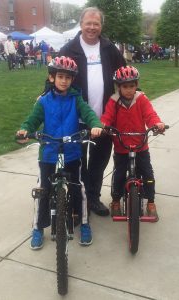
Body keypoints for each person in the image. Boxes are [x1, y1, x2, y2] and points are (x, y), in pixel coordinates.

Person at [16, 56, 103, 250]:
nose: (64, 81)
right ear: (52, 77)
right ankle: (38, 227)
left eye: (68, 77)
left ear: (72, 80)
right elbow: (32, 120)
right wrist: (24, 129)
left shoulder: (76, 98)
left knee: (78, 188)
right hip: (48, 152)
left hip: (72, 152)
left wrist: (95, 125)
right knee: (43, 190)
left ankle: (85, 224)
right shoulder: (44, 101)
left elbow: (88, 113)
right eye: (60, 76)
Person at [59, 7, 126, 217]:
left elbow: (124, 75)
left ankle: (93, 198)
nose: (92, 27)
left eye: (96, 24)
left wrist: (137, 95)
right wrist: (44, 96)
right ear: (81, 24)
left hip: (104, 119)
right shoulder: (69, 49)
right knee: (76, 162)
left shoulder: (109, 48)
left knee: (99, 161)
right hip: (75, 119)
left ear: (101, 26)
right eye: (88, 23)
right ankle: (77, 200)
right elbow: (55, 77)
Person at [101, 66, 166, 221]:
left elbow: (150, 114)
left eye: (132, 86)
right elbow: (107, 117)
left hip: (140, 145)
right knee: (118, 174)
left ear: (136, 85)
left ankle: (150, 201)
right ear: (118, 87)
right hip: (121, 146)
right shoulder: (113, 101)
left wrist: (157, 123)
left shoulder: (141, 99)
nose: (129, 90)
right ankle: (116, 201)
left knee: (148, 173)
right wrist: (103, 125)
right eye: (125, 87)